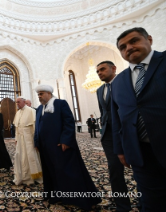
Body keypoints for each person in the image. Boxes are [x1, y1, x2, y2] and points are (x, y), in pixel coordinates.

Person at [111, 27, 166, 211]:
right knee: (152, 201)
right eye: (123, 46)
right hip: (140, 153)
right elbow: (117, 118)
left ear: (149, 39)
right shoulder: (118, 81)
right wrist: (120, 149)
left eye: (134, 41)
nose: (129, 47)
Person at [34, 85, 101, 210]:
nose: (39, 96)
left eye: (41, 93)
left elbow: (69, 122)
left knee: (68, 171)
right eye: (38, 94)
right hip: (45, 148)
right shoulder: (39, 109)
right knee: (51, 171)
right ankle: (58, 194)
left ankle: (78, 198)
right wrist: (36, 142)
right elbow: (37, 128)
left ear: (49, 93)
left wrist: (66, 140)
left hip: (61, 146)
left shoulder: (60, 104)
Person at [96, 61, 131, 211]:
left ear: (113, 68)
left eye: (102, 69)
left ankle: (146, 202)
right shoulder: (99, 90)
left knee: (140, 168)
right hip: (109, 135)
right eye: (97, 71)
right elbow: (103, 111)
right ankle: (122, 205)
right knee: (115, 170)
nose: (99, 73)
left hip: (129, 131)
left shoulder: (126, 80)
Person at [13, 97, 42, 185]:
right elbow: (17, 128)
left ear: (24, 102)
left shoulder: (31, 111)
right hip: (20, 139)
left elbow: (35, 127)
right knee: (20, 156)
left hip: (30, 139)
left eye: (18, 102)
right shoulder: (18, 113)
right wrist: (16, 139)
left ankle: (34, 177)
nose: (17, 104)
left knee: (31, 157)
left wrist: (37, 141)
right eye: (16, 102)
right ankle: (23, 177)